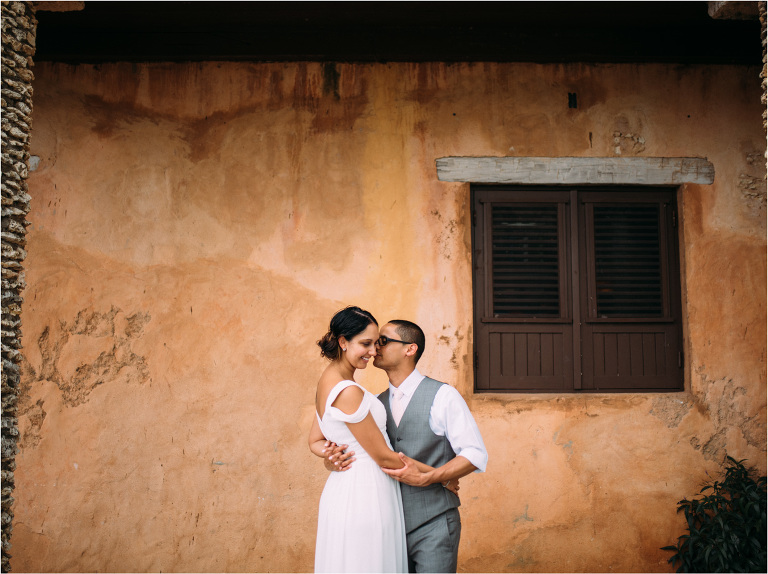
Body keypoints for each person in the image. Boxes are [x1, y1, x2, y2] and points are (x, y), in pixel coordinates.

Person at [322, 319, 488, 573]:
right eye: (374, 342)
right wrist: (331, 457)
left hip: (434, 522)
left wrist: (433, 477)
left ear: (410, 349)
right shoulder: (375, 404)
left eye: (383, 341)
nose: (375, 348)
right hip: (387, 524)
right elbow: (352, 446)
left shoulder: (443, 395)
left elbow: (475, 453)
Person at [308, 306, 446, 573]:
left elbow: (315, 440)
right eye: (366, 344)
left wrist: (333, 455)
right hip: (364, 495)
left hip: (345, 488)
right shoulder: (348, 391)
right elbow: (383, 456)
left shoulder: (328, 381)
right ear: (343, 342)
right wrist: (442, 476)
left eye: (377, 343)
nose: (373, 351)